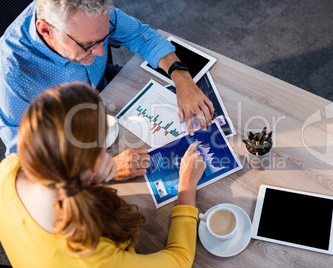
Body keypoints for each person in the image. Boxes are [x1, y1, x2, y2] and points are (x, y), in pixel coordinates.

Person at [0, 0, 214, 180]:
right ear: (46, 30)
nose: (102, 51)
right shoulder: (12, 74)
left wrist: (182, 77)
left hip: (106, 89)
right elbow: (23, 168)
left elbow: (141, 36)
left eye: (105, 37)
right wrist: (101, 171)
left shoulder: (93, 13)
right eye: (89, 44)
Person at [0, 82, 206, 267]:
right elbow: (179, 260)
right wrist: (187, 187)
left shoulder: (9, 166)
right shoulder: (91, 254)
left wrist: (94, 174)